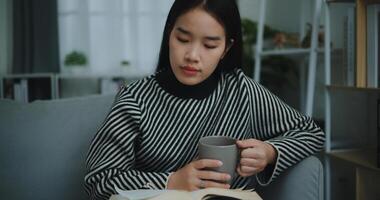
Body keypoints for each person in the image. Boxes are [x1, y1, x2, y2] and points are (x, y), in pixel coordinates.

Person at [84, 0, 325, 199]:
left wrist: (271, 151)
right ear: (169, 34)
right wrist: (172, 181)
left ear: (226, 48)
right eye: (183, 39)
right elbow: (99, 179)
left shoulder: (242, 92)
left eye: (210, 45)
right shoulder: (135, 99)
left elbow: (311, 132)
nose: (192, 56)